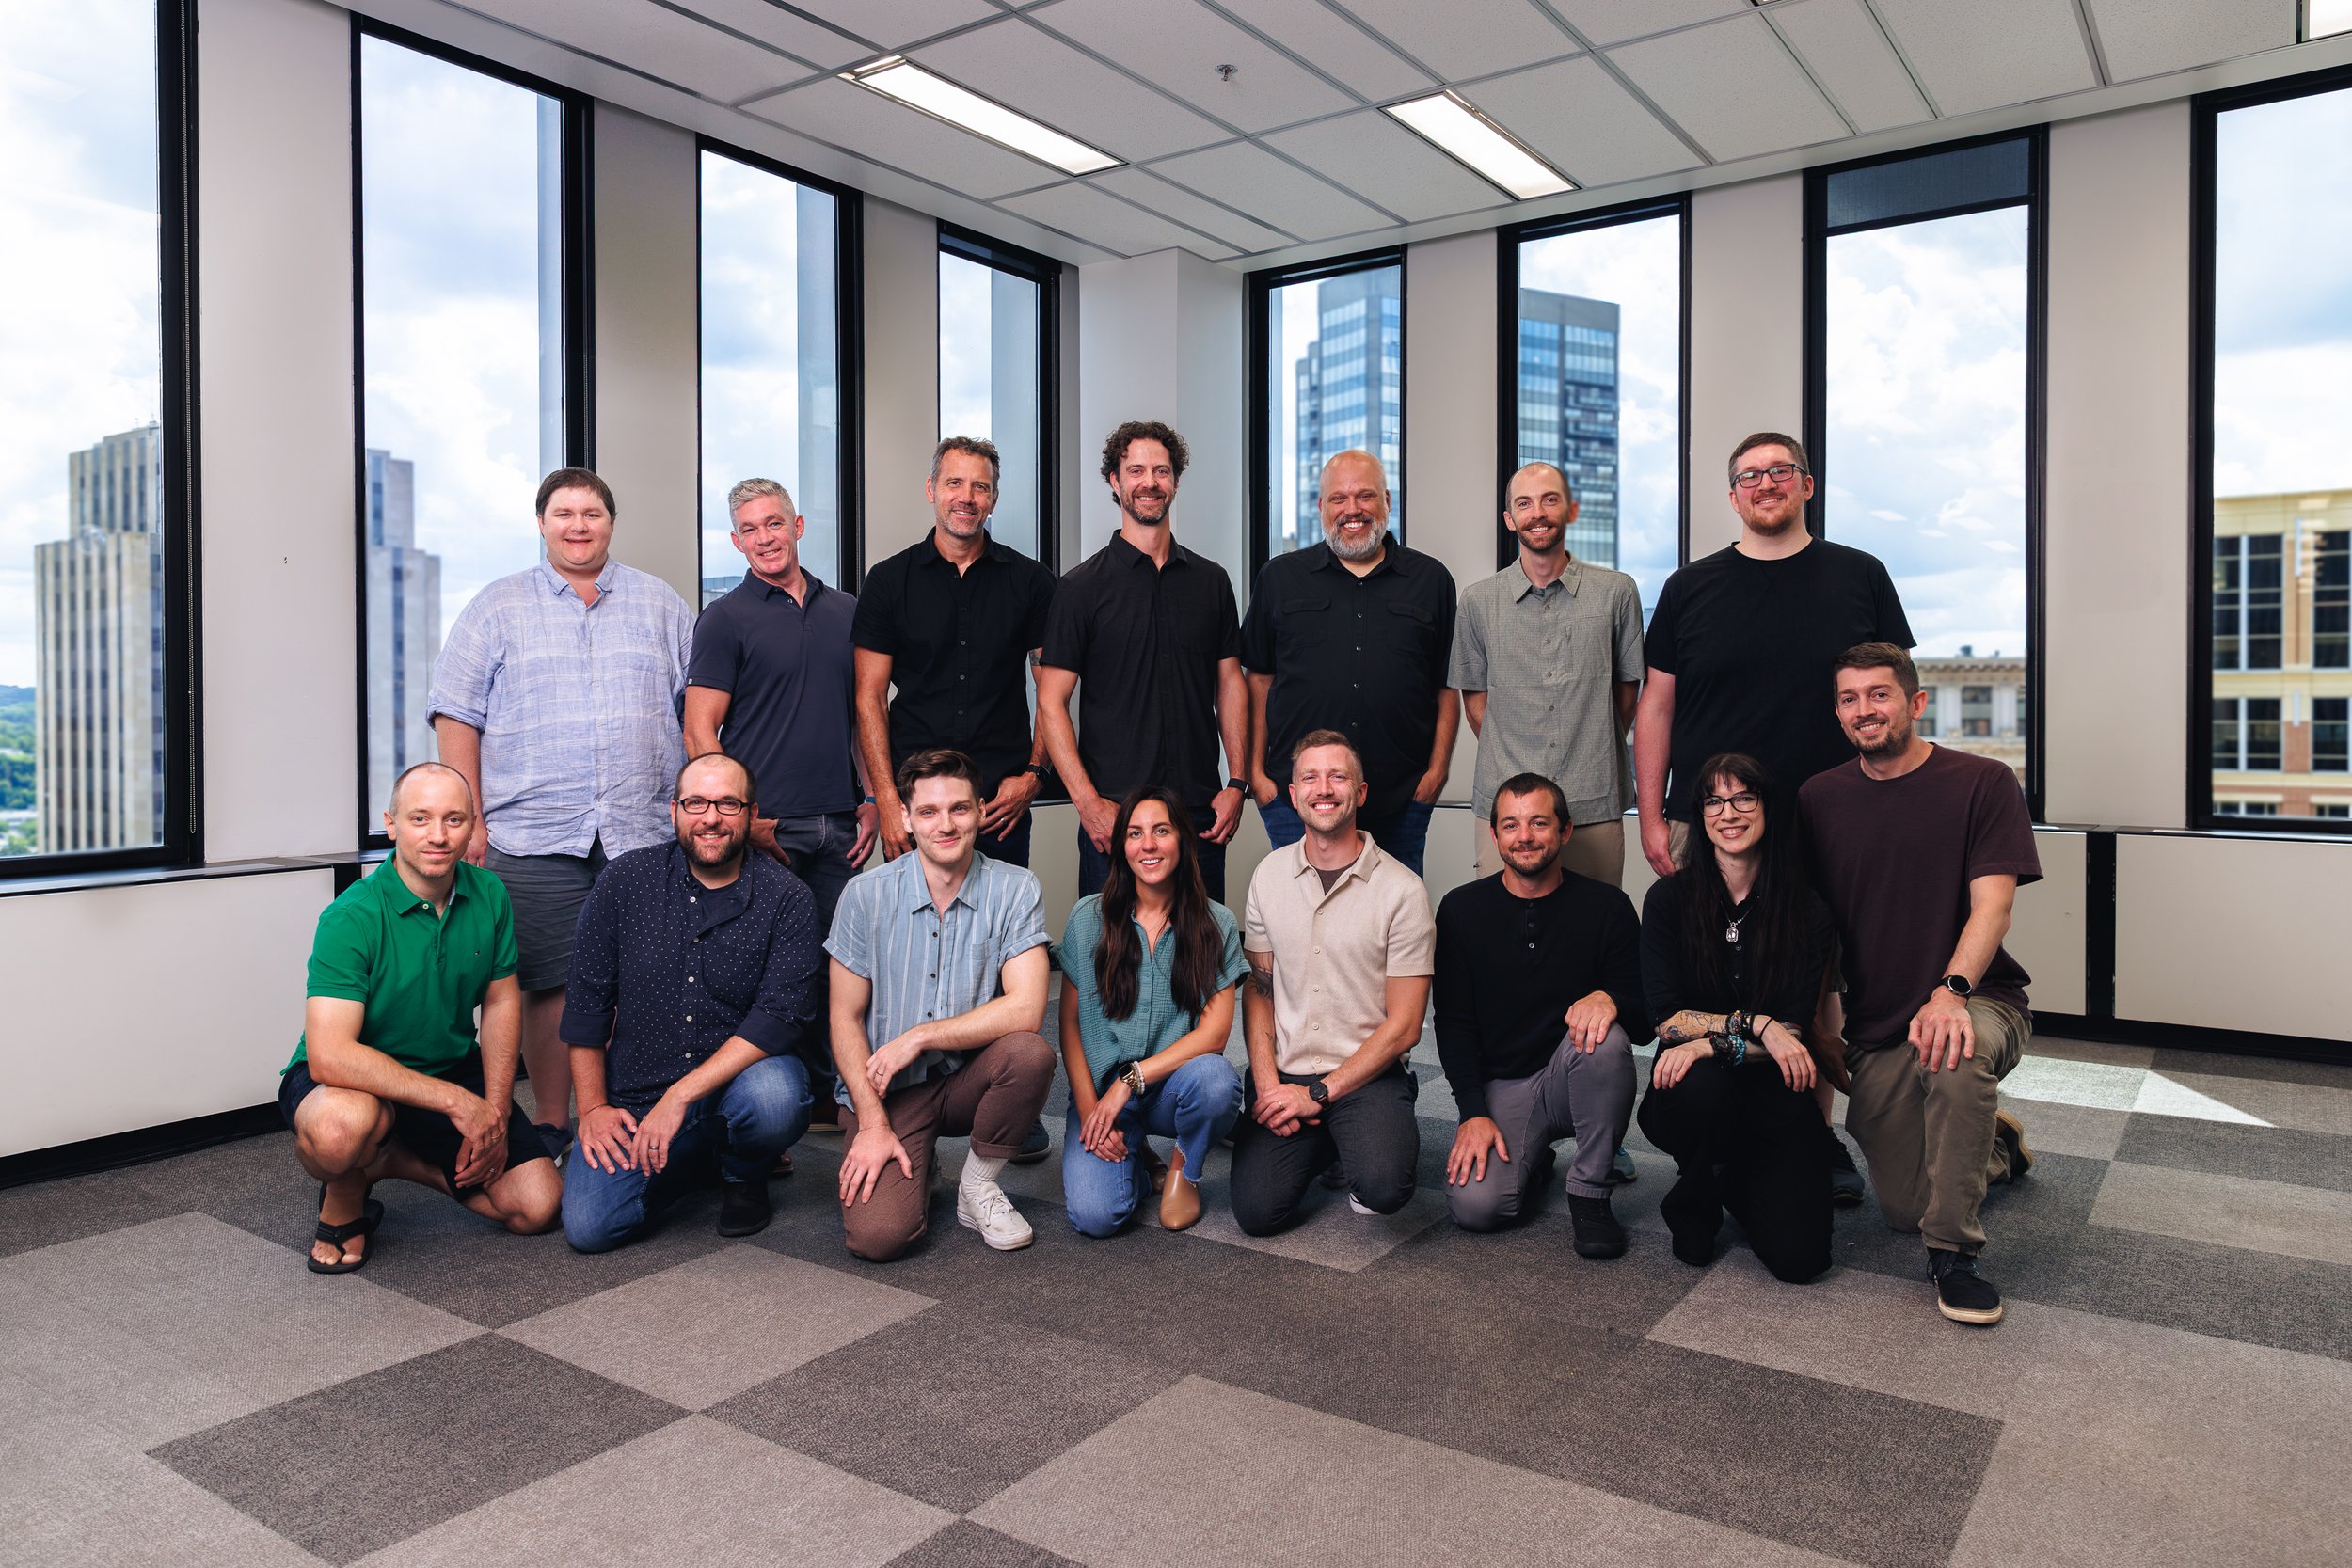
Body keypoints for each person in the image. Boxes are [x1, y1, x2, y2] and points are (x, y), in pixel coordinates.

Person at [1632, 432, 1910, 1197]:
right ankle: (1717, 1132)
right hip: (1711, 816)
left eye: (1779, 471)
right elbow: (1657, 705)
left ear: (1807, 484)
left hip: (1829, 820)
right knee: (1707, 970)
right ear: (1732, 496)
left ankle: (1807, 1135)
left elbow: (1887, 695)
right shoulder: (1690, 586)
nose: (1765, 484)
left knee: (1814, 988)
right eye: (1749, 476)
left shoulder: (1860, 575)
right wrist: (1651, 814)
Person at [429, 467, 694, 1156]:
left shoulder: (661, 603)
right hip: (533, 832)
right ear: (542, 524)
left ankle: (631, 1113)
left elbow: (695, 709)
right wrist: (471, 817)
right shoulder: (497, 606)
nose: (579, 526)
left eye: (592, 514)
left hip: (642, 829)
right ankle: (552, 1121)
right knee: (548, 984)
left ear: (611, 523)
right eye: (564, 514)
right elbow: (456, 713)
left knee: (643, 981)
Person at [1803, 643, 2041, 1326]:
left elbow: (1994, 905)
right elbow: (1815, 929)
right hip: (1879, 1025)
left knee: (1953, 1054)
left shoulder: (1982, 782)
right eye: (1849, 698)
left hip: (1979, 998)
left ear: (1915, 702)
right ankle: (1993, 1144)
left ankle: (1954, 1256)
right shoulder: (1819, 799)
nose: (1864, 710)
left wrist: (1951, 992)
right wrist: (1818, 1026)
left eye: (1879, 694)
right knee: (1906, 1208)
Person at [280, 763, 560, 1272]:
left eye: (454, 819)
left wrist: (494, 1114)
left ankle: (387, 1161)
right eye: (420, 818)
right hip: (352, 1081)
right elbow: (329, 1056)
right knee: (341, 1132)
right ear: (391, 824)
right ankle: (347, 1180)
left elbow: (501, 1002)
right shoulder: (350, 917)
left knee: (536, 1207)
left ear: (473, 827)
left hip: (446, 1066)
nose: (438, 835)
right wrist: (459, 1103)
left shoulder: (490, 893)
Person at [558, 753, 820, 1250]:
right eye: (696, 803)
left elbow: (781, 1018)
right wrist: (592, 1108)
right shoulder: (623, 881)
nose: (711, 818)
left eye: (728, 804)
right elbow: (586, 1006)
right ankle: (702, 1157)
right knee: (591, 1227)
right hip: (638, 1092)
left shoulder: (788, 898)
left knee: (776, 1099)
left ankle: (744, 1170)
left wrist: (679, 1096)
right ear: (674, 810)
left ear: (751, 814)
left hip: (738, 1084)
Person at [688, 477, 878, 1138]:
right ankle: (765, 1117)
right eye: (750, 529)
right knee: (764, 968)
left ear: (797, 526)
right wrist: (743, 819)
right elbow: (699, 730)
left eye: (774, 523)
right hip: (767, 827)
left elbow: (863, 716)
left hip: (842, 822)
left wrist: (873, 798)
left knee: (842, 968)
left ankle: (827, 1096)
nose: (765, 538)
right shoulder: (724, 618)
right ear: (736, 541)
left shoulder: (847, 610)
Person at [826, 749, 1056, 1260]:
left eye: (959, 808)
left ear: (980, 810)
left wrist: (919, 1036)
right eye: (928, 811)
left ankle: (978, 1186)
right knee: (880, 1238)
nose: (945, 825)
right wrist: (872, 1122)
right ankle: (917, 1158)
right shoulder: (864, 895)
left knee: (1029, 1053)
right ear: (906, 818)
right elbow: (843, 1019)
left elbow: (1027, 1009)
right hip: (888, 1092)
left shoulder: (1015, 889)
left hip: (968, 1080)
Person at [1637, 753, 1840, 1282]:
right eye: (1714, 802)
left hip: (1771, 1090)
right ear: (1701, 816)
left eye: (1744, 798)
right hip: (1690, 1088)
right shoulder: (1668, 900)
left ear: (1767, 807)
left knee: (1801, 1260)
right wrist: (1756, 1024)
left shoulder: (1807, 910)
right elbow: (1667, 1022)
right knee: (1702, 1085)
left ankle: (1734, 1173)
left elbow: (1792, 1030)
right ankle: (1695, 1197)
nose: (1729, 813)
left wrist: (1713, 1041)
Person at [1232, 732, 1435, 1236]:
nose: (1324, 789)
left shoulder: (1403, 890)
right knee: (1257, 1214)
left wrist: (1318, 1095)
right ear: (1294, 793)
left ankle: (1359, 1133)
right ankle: (1329, 1145)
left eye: (1338, 776)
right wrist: (1267, 1085)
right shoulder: (1268, 876)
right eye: (1310, 778)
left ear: (1360, 792)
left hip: (1366, 1074)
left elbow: (1406, 1027)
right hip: (1287, 1070)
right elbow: (1259, 987)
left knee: (1384, 1188)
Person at [1432, 772, 1644, 1259]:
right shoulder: (1461, 911)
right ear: (1495, 836)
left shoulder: (1608, 907)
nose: (1524, 836)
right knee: (1476, 1209)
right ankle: (1536, 1164)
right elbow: (1454, 1023)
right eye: (1510, 824)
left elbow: (1645, 1016)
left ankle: (1590, 1194)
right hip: (1504, 1086)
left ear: (1565, 831)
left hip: (1577, 1073)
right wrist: (1472, 1112)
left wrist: (1610, 999)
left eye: (1539, 823)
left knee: (1606, 1039)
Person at [1039, 421, 1249, 901]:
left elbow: (1230, 684)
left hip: (1199, 815)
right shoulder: (1079, 589)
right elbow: (1051, 703)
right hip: (1115, 817)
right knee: (1110, 948)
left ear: (1175, 481)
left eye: (1161, 471)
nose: (1149, 482)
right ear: (1115, 481)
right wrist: (1087, 803)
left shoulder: (1212, 582)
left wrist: (1237, 782)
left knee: (1201, 946)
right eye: (1135, 471)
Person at [1243, 450, 1458, 878]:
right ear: (1321, 506)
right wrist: (1257, 776)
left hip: (1400, 801)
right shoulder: (1279, 578)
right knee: (1300, 916)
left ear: (1387, 501)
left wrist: (1436, 774)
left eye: (1365, 496)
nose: (1352, 509)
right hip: (1296, 802)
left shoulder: (1431, 580)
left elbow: (1447, 686)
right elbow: (1258, 679)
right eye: (1338, 498)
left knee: (1395, 918)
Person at [854, 436, 1056, 868]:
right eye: (954, 483)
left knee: (1004, 912)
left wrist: (1034, 776)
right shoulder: (887, 582)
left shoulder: (1032, 581)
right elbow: (869, 697)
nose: (967, 497)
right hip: (916, 802)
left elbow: (1052, 691)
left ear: (994, 499)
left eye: (980, 487)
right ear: (932, 489)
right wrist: (886, 799)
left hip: (999, 805)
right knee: (911, 913)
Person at [1056, 787, 1248, 1237]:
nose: (1148, 845)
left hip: (1171, 1088)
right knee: (1096, 1217)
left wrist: (1131, 1081)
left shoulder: (1217, 923)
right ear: (1121, 846)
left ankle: (1183, 1169)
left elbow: (1214, 1036)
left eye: (1161, 831)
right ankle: (1140, 1162)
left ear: (1182, 840)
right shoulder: (1087, 917)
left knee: (1218, 1083)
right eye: (1135, 834)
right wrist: (1090, 1109)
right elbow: (1069, 1023)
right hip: (1102, 1092)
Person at [1450, 462, 1643, 886]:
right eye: (1524, 503)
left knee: (1595, 921)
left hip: (1593, 800)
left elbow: (1626, 696)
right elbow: (1476, 704)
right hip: (1504, 804)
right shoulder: (1477, 602)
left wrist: (1589, 743)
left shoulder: (1617, 593)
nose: (1537, 513)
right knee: (1501, 922)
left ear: (1570, 510)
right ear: (1509, 519)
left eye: (1549, 500)